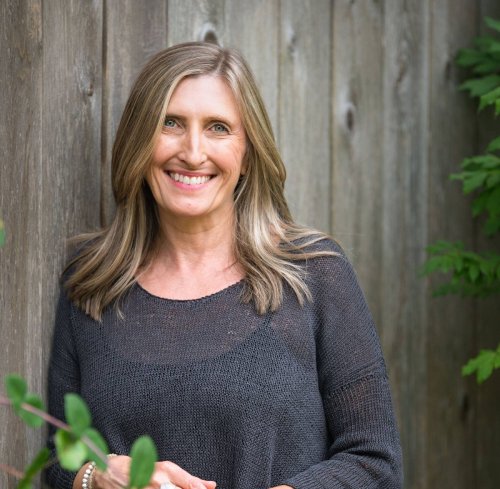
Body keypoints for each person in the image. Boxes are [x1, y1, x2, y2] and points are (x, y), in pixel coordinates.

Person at [45, 42, 403, 489]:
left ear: (248, 152)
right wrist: (98, 476)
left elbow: (375, 462)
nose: (193, 153)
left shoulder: (314, 275)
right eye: (170, 124)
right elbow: (57, 463)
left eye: (218, 128)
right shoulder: (90, 282)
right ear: (138, 138)